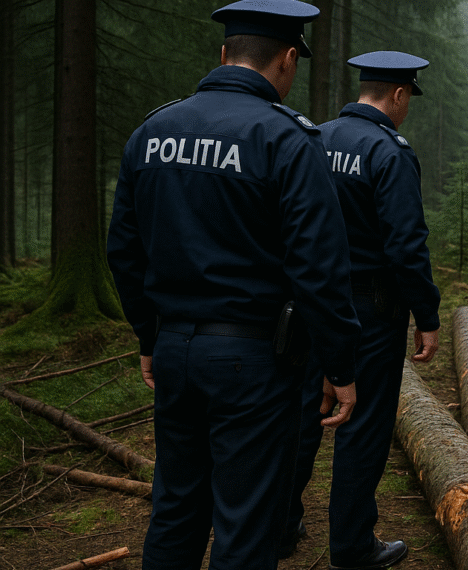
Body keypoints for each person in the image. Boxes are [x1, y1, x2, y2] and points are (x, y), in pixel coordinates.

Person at [105, 1, 361, 569]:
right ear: (288, 59)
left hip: (175, 350)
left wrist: (150, 335)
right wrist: (340, 367)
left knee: (175, 508)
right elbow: (320, 268)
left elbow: (123, 250)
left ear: (224, 53)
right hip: (254, 361)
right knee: (248, 522)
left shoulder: (153, 131)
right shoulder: (287, 139)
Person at [281, 51, 441, 570]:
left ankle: (281, 525)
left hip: (309, 300)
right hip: (371, 308)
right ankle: (351, 548)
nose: (407, 109)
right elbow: (406, 247)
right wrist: (427, 314)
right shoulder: (389, 152)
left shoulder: (314, 138)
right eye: (408, 100)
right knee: (363, 425)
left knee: (304, 414)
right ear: (397, 95)